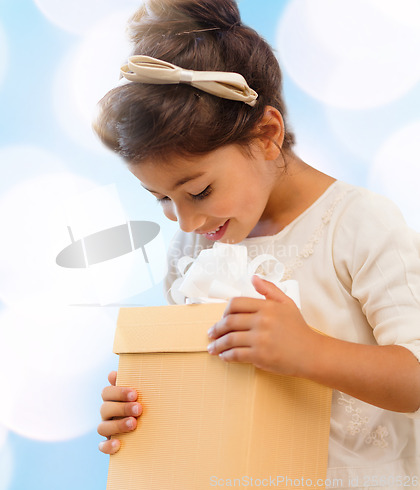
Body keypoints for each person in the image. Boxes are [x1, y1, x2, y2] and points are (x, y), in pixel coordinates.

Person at [94, 0, 420, 487]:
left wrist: (309, 350)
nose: (184, 220)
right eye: (161, 198)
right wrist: (143, 406)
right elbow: (206, 387)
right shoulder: (193, 250)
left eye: (199, 190)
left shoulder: (356, 224)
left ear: (267, 134)